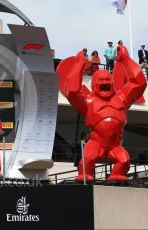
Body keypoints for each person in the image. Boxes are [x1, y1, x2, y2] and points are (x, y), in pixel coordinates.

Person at [57, 45, 147, 180]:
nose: (104, 83)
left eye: (107, 81)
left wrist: (126, 59)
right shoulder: (88, 102)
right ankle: (85, 176)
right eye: (101, 81)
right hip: (96, 143)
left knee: (124, 161)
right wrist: (79, 64)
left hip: (115, 145)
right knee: (87, 160)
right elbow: (72, 91)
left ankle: (116, 177)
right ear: (93, 85)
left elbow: (139, 83)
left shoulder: (122, 98)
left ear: (112, 83)